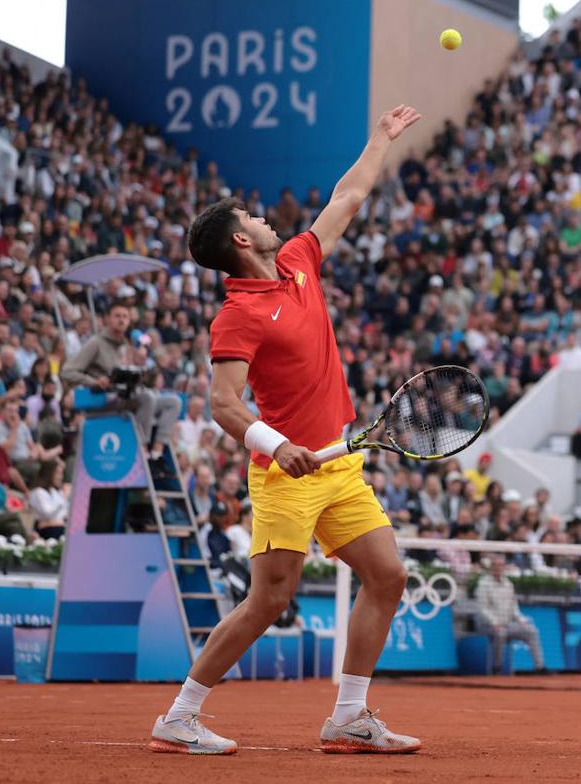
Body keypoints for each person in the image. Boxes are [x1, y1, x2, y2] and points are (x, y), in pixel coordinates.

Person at [149, 106, 424, 755]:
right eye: (251, 218)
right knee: (270, 599)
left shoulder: (300, 260)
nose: (263, 217)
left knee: (386, 576)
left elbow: (350, 195)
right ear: (241, 243)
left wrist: (379, 140)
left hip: (340, 464)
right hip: (286, 473)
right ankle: (179, 716)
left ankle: (349, 716)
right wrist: (277, 445)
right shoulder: (238, 316)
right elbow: (223, 403)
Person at [61, 302, 182, 462]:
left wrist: (144, 366)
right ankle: (141, 449)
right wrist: (93, 381)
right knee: (146, 398)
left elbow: (141, 381)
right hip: (104, 399)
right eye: (117, 316)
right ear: (107, 319)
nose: (122, 320)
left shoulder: (127, 345)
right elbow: (67, 372)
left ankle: (157, 452)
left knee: (173, 402)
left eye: (125, 316)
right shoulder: (96, 342)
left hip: (127, 397)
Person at [474, 555, 546, 673]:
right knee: (500, 633)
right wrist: (495, 623)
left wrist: (521, 620)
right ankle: (497, 667)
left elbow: (514, 608)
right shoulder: (483, 584)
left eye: (501, 565)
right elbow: (482, 609)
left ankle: (540, 666)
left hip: (507, 624)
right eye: (495, 565)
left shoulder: (508, 584)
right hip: (488, 625)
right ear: (491, 567)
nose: (498, 568)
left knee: (531, 630)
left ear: (504, 567)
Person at [27, 459, 67, 540]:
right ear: (49, 474)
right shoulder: (38, 492)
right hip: (47, 529)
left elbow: (65, 513)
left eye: (62, 474)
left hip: (60, 526)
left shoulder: (57, 492)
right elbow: (47, 514)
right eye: (58, 473)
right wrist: (65, 497)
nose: (61, 477)